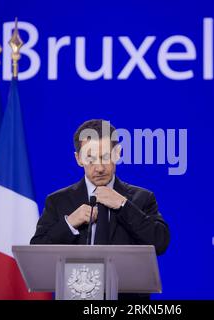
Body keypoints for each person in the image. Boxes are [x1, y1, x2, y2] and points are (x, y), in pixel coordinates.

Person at [30, 119, 170, 299]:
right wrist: (69, 223)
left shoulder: (142, 198)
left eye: (105, 156)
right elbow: (37, 253)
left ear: (118, 154)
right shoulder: (58, 201)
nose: (100, 167)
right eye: (90, 158)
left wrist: (124, 205)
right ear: (78, 159)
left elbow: (160, 242)